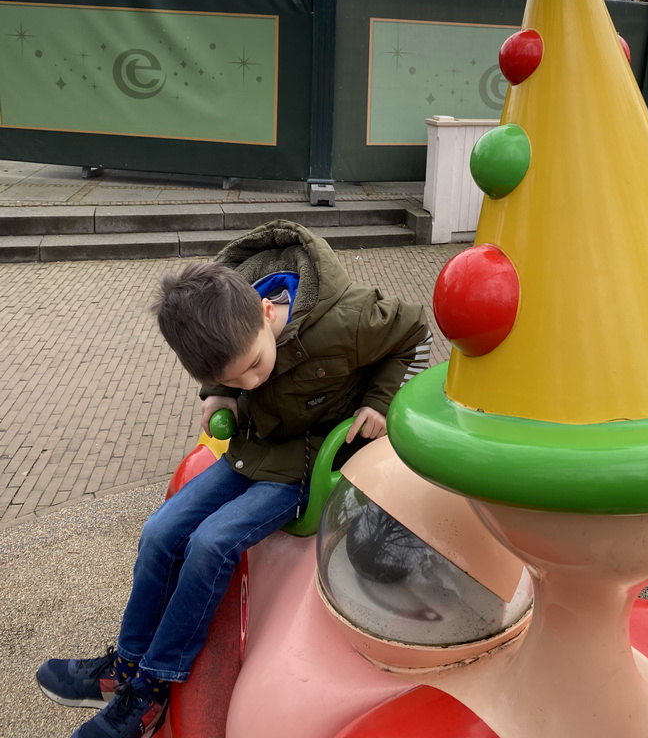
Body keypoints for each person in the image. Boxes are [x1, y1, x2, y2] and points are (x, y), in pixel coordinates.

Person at [36, 220, 431, 738]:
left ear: (268, 312)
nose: (250, 382)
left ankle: (154, 686)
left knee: (210, 544)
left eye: (253, 367)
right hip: (252, 450)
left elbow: (414, 332)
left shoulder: (348, 319)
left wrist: (378, 404)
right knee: (160, 531)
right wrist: (218, 394)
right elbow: (225, 367)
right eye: (233, 379)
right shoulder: (230, 323)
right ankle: (126, 665)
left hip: (305, 463)